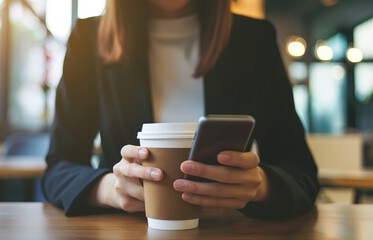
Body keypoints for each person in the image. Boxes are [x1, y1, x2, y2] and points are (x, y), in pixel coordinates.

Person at [42, 0, 319, 219]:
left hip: (229, 229)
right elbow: (58, 169)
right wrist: (110, 190)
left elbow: (301, 174)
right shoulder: (89, 39)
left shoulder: (254, 39)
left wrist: (260, 186)